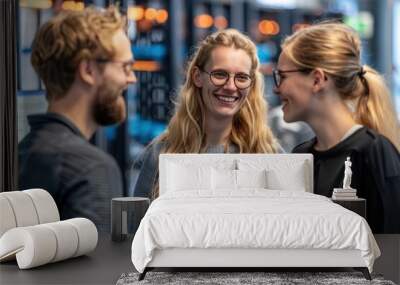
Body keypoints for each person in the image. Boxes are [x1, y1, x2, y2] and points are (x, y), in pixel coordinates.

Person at [273, 22, 400, 233]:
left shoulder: (373, 152)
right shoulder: (300, 155)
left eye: (282, 76)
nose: (277, 88)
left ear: (317, 80)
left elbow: (393, 254)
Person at [18, 6, 137, 232]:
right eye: (126, 67)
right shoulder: (91, 169)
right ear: (88, 70)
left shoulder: (19, 155)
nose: (132, 79)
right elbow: (100, 267)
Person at [133, 29, 281, 199]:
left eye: (241, 77)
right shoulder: (161, 153)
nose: (231, 87)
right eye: (219, 74)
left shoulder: (269, 153)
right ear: (197, 77)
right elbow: (136, 224)